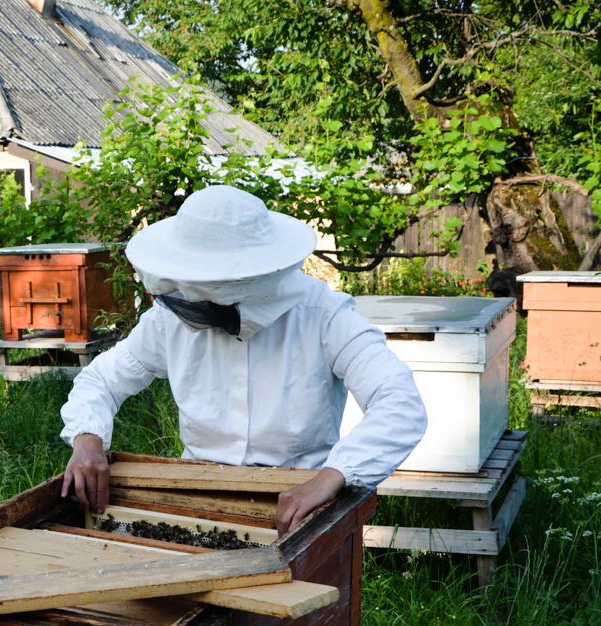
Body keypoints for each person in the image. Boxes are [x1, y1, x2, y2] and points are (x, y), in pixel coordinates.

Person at [60, 185, 428, 535]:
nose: (198, 306)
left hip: (300, 500)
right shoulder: (169, 318)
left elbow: (399, 403)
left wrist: (332, 477)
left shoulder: (325, 316)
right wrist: (88, 437)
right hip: (195, 495)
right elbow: (101, 380)